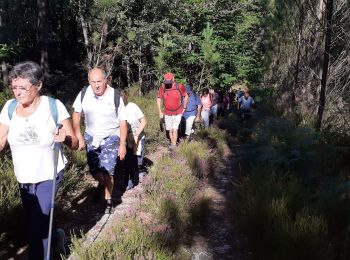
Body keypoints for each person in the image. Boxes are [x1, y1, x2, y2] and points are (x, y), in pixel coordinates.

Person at [0, 61, 78, 259]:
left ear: (38, 85)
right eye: (14, 87)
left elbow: (76, 143)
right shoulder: (9, 108)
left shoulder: (53, 106)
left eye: (23, 88)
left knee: (38, 227)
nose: (17, 93)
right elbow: (1, 140)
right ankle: (57, 238)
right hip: (24, 178)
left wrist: (66, 138)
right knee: (37, 219)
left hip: (49, 174)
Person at [72, 68, 127, 214]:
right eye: (93, 82)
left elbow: (123, 121)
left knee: (108, 170)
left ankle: (108, 200)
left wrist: (122, 144)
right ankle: (102, 184)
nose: (96, 85)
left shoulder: (115, 96)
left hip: (111, 136)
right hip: (91, 136)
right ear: (89, 81)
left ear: (106, 80)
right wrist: (78, 135)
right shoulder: (84, 93)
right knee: (95, 169)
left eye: (99, 82)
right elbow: (76, 114)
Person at [121, 90, 147, 189]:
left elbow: (144, 121)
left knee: (138, 160)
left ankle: (141, 174)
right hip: (125, 137)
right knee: (128, 161)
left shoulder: (132, 107)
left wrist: (136, 134)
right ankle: (130, 181)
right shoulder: (115, 109)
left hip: (138, 135)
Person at [157, 72, 188, 150]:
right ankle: (172, 142)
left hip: (178, 112)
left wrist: (184, 107)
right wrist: (160, 111)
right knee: (169, 130)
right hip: (167, 112)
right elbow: (158, 98)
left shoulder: (179, 86)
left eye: (169, 82)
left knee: (175, 129)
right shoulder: (163, 87)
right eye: (166, 82)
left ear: (173, 79)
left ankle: (174, 146)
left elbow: (186, 95)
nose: (168, 84)